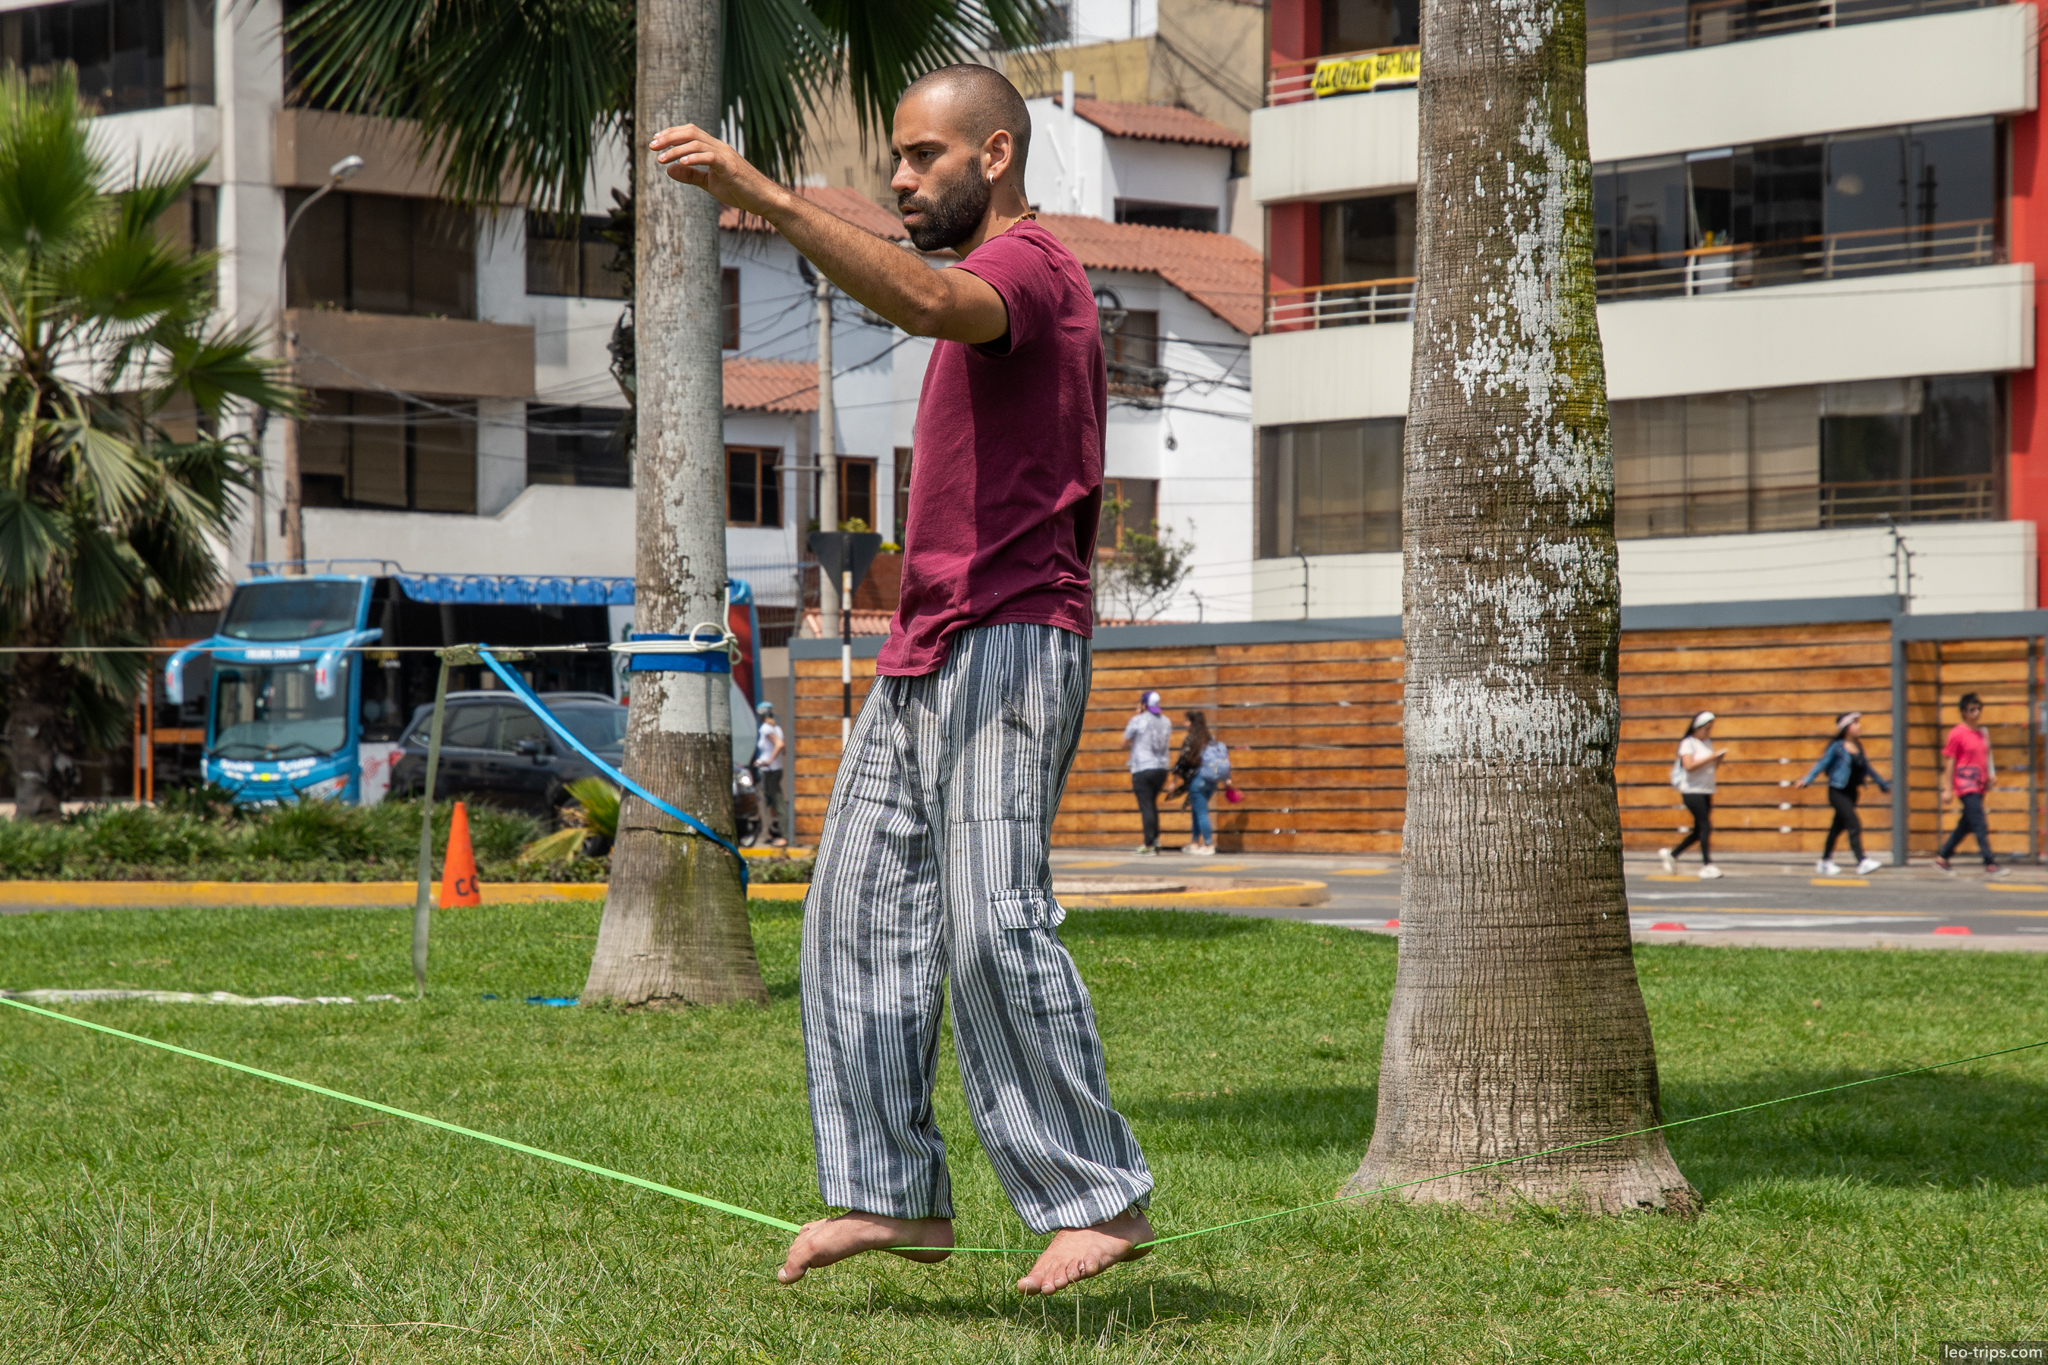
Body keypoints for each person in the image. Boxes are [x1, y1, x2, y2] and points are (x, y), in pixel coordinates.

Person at [653, 63, 1153, 1296]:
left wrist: (758, 192)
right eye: (891, 157)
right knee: (854, 913)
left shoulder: (1029, 269)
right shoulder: (987, 275)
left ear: (993, 155)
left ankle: (1096, 1197)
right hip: (923, 643)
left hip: (1013, 634)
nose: (897, 177)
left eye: (921, 156)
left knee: (991, 918)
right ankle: (891, 1197)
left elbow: (928, 298)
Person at [1795, 710, 1889, 876]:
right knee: (1853, 824)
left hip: (1852, 793)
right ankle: (1862, 861)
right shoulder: (1837, 747)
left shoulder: (1858, 746)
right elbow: (1822, 764)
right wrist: (1807, 780)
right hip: (1837, 792)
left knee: (1836, 828)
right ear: (1847, 728)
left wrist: (1882, 783)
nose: (1859, 726)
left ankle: (1825, 862)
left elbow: (1867, 768)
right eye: (1856, 723)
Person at [1935, 693, 2003, 875]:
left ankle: (1943, 856)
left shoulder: (1983, 733)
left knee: (1966, 824)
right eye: (1972, 709)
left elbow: (1986, 757)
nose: (1977, 712)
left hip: (1979, 784)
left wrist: (1990, 775)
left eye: (1979, 708)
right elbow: (1950, 761)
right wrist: (1948, 789)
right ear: (1964, 712)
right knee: (1979, 823)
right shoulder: (1957, 733)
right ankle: (1990, 862)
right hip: (1965, 783)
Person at [1658, 711, 1725, 880]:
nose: (1708, 732)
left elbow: (1709, 767)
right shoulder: (1688, 743)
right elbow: (1688, 766)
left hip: (1706, 789)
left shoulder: (1707, 742)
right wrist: (1712, 757)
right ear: (1697, 728)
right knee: (1705, 825)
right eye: (1706, 729)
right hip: (1691, 790)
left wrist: (1717, 760)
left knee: (1698, 830)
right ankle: (1707, 864)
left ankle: (1673, 854)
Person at [1167, 711, 1228, 855]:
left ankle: (1208, 844)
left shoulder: (1191, 739)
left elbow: (1182, 762)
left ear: (1193, 723)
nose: (1184, 724)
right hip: (1211, 781)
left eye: (1187, 721)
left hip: (1197, 780)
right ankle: (1195, 842)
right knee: (1197, 810)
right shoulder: (1210, 739)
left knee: (1201, 813)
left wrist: (1174, 782)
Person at [1122, 691, 1172, 855]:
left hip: (1143, 768)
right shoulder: (1166, 721)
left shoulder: (1138, 720)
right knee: (1151, 804)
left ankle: (1149, 844)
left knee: (1146, 806)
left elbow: (1124, 742)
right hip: (1162, 768)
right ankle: (1155, 840)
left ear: (1144, 705)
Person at [752, 701, 786, 847]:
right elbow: (783, 750)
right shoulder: (777, 728)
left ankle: (784, 835)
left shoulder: (766, 728)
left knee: (776, 802)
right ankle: (774, 833)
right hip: (776, 769)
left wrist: (768, 761)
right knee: (771, 802)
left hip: (770, 771)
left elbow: (780, 745)